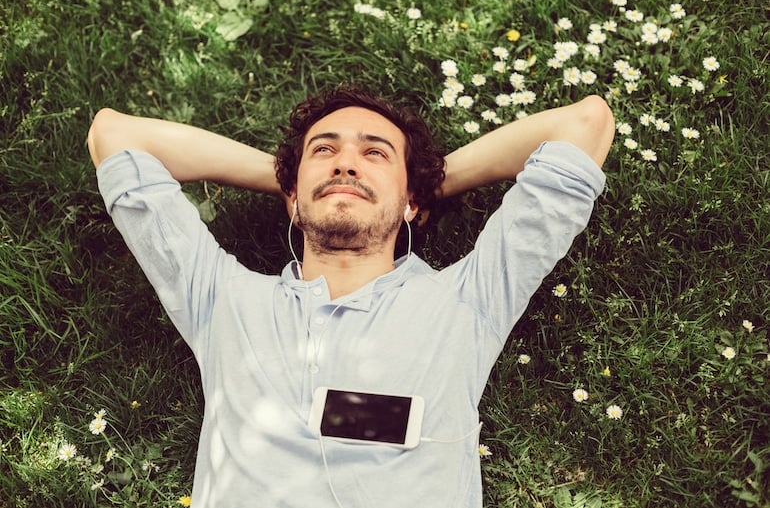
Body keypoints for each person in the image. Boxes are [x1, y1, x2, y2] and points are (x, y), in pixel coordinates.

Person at [88, 86, 614, 507]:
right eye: (324, 151)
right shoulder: (222, 299)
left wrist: (420, 185)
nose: (345, 164)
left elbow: (585, 124)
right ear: (292, 198)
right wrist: (295, 184)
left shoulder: (468, 300)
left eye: (374, 153)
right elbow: (115, 136)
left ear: (412, 203)